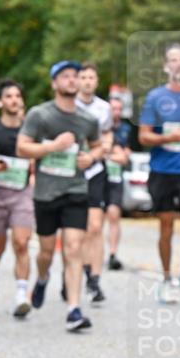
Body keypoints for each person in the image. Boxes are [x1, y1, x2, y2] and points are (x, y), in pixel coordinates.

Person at [17, 61, 103, 332]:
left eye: (75, 76)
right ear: (54, 83)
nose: (71, 80)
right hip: (46, 192)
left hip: (76, 190)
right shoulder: (40, 115)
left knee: (74, 248)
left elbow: (98, 147)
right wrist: (54, 146)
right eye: (65, 76)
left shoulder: (88, 120)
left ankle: (74, 309)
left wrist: (90, 157)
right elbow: (22, 148)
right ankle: (42, 278)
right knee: (45, 252)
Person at [138, 44, 180, 304]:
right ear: (166, 66)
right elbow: (143, 135)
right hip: (162, 170)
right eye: (173, 60)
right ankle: (167, 278)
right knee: (166, 227)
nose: (178, 64)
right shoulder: (155, 97)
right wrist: (169, 137)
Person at [0, 78, 35, 317]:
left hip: (22, 192)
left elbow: (38, 155)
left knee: (21, 243)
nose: (14, 100)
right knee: (0, 245)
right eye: (9, 96)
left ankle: (21, 295)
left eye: (17, 96)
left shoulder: (31, 129)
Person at [76, 62, 113, 304]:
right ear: (77, 81)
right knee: (76, 231)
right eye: (84, 77)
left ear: (96, 82)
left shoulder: (105, 108)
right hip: (72, 172)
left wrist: (103, 148)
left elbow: (107, 136)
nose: (88, 81)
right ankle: (77, 270)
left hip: (96, 170)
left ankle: (94, 280)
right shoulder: (69, 106)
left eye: (92, 77)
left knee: (96, 227)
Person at [105, 97, 132, 271]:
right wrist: (115, 154)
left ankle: (113, 253)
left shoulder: (125, 129)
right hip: (98, 178)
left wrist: (111, 155)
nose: (116, 112)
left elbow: (125, 157)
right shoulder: (99, 127)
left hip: (115, 178)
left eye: (119, 109)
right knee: (95, 220)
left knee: (114, 215)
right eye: (113, 108)